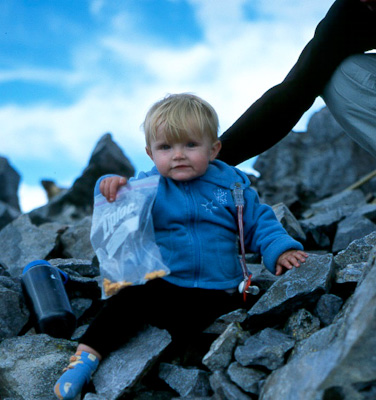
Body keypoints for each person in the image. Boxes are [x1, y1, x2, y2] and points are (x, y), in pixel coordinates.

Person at [54, 93, 308, 399]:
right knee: (126, 300)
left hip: (220, 289)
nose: (178, 155)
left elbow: (258, 223)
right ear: (150, 154)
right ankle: (85, 356)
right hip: (166, 284)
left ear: (213, 149)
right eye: (166, 147)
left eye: (190, 145)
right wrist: (109, 185)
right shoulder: (149, 188)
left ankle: (186, 362)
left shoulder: (232, 186)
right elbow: (121, 211)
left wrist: (280, 249)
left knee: (213, 326)